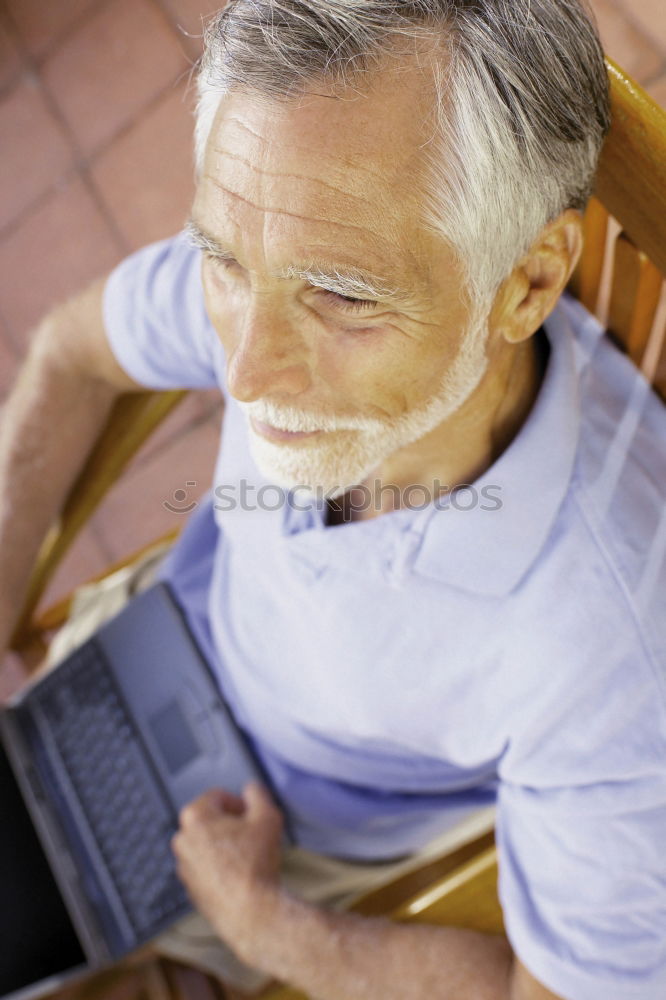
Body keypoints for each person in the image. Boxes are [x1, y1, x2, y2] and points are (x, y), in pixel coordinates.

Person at [1, 1, 665, 998]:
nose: (248, 370)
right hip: (141, 649)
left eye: (342, 294)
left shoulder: (616, 660)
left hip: (294, 854)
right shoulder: (293, 219)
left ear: (527, 285)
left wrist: (274, 933)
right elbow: (67, 354)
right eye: (222, 258)